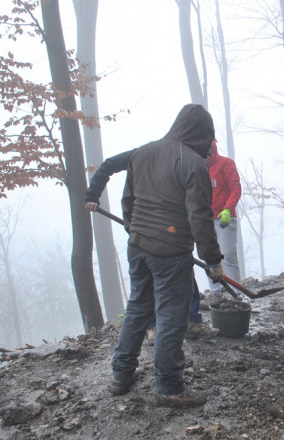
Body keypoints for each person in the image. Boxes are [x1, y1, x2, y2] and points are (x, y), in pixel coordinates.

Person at [107, 103, 223, 408]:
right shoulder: (193, 163)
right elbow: (200, 217)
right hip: (170, 254)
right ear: (202, 134)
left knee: (138, 308)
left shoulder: (143, 152)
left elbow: (128, 201)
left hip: (138, 246)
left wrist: (138, 232)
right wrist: (213, 260)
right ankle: (169, 387)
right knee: (171, 317)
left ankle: (121, 374)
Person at [85, 151, 218, 339]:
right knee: (149, 283)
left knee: (186, 273)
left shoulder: (183, 158)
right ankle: (153, 326)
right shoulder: (147, 154)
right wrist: (92, 194)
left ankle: (192, 321)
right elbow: (109, 164)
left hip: (174, 233)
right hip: (145, 230)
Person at [201, 140, 242, 307]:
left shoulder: (226, 163)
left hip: (226, 217)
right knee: (209, 256)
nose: (208, 152)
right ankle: (215, 293)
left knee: (228, 254)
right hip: (205, 219)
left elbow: (235, 188)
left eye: (209, 148)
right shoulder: (198, 167)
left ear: (214, 147)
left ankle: (237, 293)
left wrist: (228, 208)